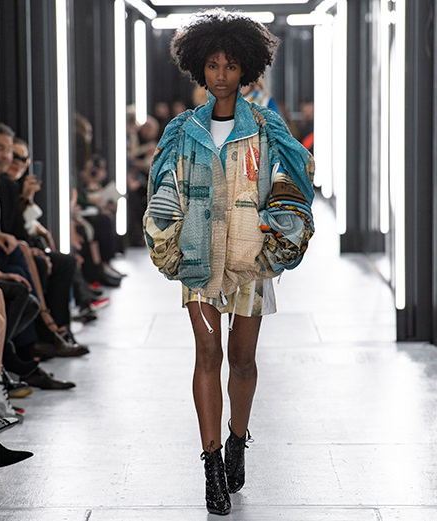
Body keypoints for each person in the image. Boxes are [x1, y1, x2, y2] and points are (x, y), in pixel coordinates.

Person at [144, 10, 315, 516]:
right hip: (197, 256)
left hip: (250, 258)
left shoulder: (264, 126)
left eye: (231, 65)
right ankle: (212, 464)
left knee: (242, 359)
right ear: (200, 67)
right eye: (213, 65)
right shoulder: (183, 129)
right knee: (207, 355)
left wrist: (278, 232)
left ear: (247, 70)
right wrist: (168, 243)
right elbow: (163, 188)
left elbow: (295, 178)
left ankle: (238, 439)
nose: (221, 75)